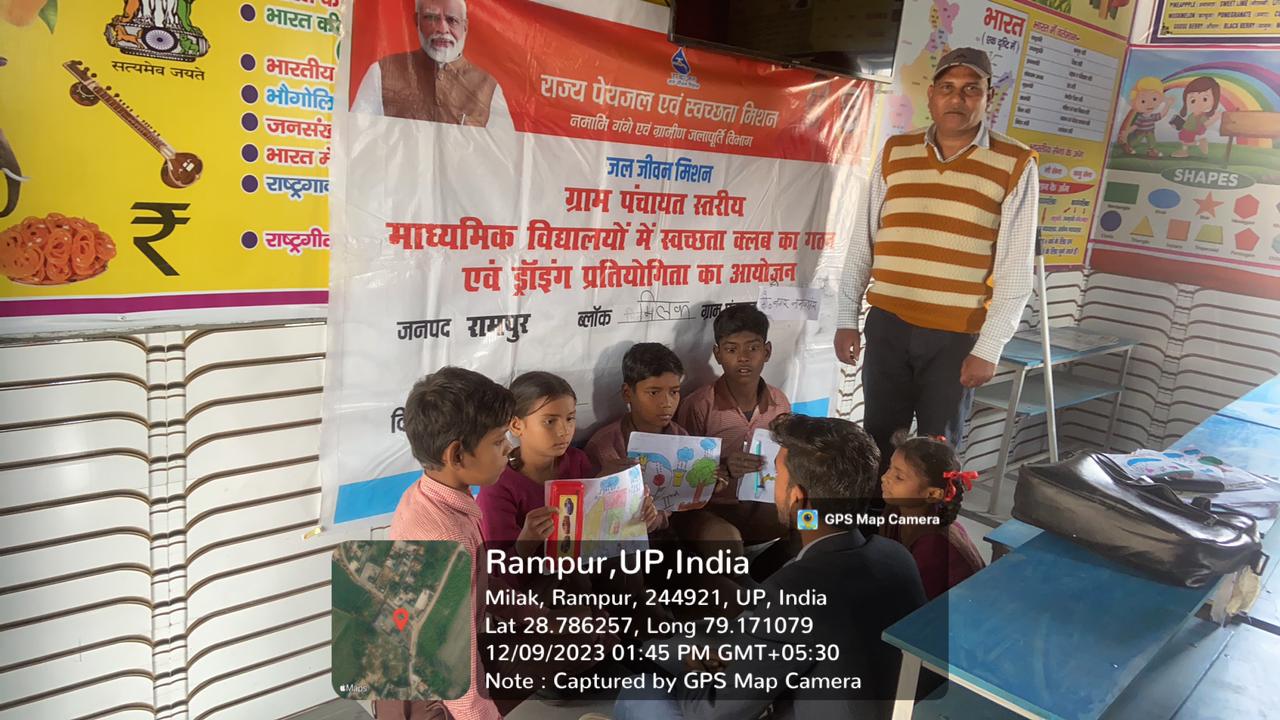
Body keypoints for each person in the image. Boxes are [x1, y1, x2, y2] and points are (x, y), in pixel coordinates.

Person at [612, 415, 928, 720]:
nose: (773, 486)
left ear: (797, 499)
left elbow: (711, 711)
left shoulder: (792, 593)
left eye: (776, 477)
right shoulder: (897, 557)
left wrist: (694, 670)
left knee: (642, 691)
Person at [834, 47, 1038, 471]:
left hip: (954, 338)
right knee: (878, 440)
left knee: (937, 452)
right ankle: (878, 515)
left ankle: (932, 518)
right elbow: (862, 243)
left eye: (971, 89)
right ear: (931, 95)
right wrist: (845, 318)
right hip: (888, 326)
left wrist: (989, 348)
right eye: (947, 87)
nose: (957, 99)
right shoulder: (896, 151)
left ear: (988, 97)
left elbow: (1016, 270)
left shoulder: (1015, 163)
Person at [384, 366, 515, 720]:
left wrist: (540, 618)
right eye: (498, 441)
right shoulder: (443, 537)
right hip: (427, 686)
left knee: (578, 630)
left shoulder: (431, 495)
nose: (509, 448)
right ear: (456, 455)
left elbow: (480, 581)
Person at [477, 371, 661, 559]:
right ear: (516, 426)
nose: (564, 431)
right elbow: (496, 567)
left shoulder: (576, 461)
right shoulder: (498, 485)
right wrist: (525, 545)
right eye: (550, 421)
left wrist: (639, 518)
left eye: (570, 418)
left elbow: (598, 535)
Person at [676, 304, 792, 554]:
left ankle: (774, 575)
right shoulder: (699, 405)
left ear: (767, 351)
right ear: (717, 354)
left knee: (812, 521)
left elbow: (787, 458)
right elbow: (682, 474)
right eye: (731, 349)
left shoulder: (779, 402)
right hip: (711, 509)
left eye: (753, 348)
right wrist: (724, 466)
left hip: (763, 503)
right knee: (726, 542)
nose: (743, 357)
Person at [352, 0, 513, 130]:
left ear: (465, 26)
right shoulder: (383, 72)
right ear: (417, 21)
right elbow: (358, 137)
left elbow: (504, 153)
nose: (442, 29)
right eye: (431, 18)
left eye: (452, 20)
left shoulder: (487, 87)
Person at [881, 433, 986, 599]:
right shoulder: (894, 511)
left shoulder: (934, 545)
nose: (884, 478)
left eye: (899, 477)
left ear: (932, 494)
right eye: (889, 468)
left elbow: (919, 602)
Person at [1118, 76, 1171, 157]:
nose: (1149, 104)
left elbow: (1162, 114)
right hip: (1141, 132)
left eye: (1154, 99)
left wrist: (1167, 105)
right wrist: (1127, 132)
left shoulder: (1153, 116)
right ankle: (1127, 146)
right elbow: (1135, 126)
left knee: (1152, 141)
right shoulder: (1141, 117)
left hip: (1150, 131)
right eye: (1143, 101)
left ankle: (1151, 151)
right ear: (1135, 103)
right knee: (1135, 142)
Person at [1170, 76, 1222, 159]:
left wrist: (1215, 118)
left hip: (1193, 131)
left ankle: (1199, 143)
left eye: (1205, 99)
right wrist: (1177, 124)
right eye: (1193, 100)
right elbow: (1187, 121)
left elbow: (1205, 124)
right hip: (1186, 130)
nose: (1198, 103)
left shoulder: (1203, 116)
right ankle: (1184, 151)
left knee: (1186, 142)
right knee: (1183, 141)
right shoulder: (1191, 114)